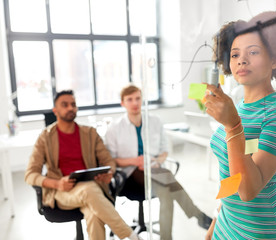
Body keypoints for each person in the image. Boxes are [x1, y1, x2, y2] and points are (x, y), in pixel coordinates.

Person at [204, 11, 276, 239]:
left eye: (253, 52)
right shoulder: (237, 107)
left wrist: (232, 126)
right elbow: (229, 175)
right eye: (235, 54)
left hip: (263, 231)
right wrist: (214, 226)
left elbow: (248, 190)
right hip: (227, 226)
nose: (241, 60)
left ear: (275, 59)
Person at [25, 90, 143, 240]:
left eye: (73, 104)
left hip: (92, 189)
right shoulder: (45, 137)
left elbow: (109, 161)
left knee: (94, 214)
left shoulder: (90, 133)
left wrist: (109, 173)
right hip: (62, 191)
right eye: (65, 105)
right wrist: (57, 184)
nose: (70, 108)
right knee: (89, 190)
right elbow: (30, 175)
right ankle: (131, 236)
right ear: (55, 110)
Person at [105, 85, 212, 240]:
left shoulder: (154, 121)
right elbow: (111, 160)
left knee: (167, 194)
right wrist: (135, 161)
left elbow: (164, 151)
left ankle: (166, 238)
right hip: (128, 177)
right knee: (167, 176)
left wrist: (155, 161)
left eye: (137, 98)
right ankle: (198, 215)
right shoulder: (114, 128)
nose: (135, 103)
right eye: (129, 99)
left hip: (154, 173)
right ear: (122, 103)